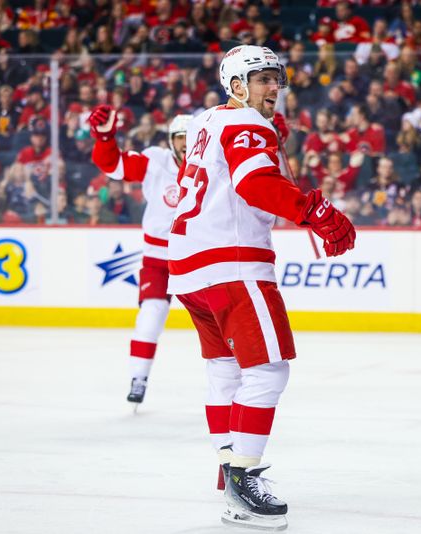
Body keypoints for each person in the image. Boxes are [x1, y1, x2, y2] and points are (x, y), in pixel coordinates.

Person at [168, 45, 355, 531]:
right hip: (232, 263)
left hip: (188, 266)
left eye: (277, 78)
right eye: (263, 79)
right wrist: (312, 210)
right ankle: (242, 477)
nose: (275, 87)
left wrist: (268, 137)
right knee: (268, 371)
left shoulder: (208, 119)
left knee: (224, 369)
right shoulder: (246, 124)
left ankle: (228, 464)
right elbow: (254, 186)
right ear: (236, 86)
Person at [89, 104, 192, 408]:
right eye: (180, 137)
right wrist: (106, 139)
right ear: (171, 140)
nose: (185, 143)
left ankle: (235, 379)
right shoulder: (156, 161)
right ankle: (139, 377)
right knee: (151, 316)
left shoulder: (213, 164)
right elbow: (114, 166)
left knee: (217, 321)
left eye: (191, 136)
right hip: (158, 257)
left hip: (198, 257)